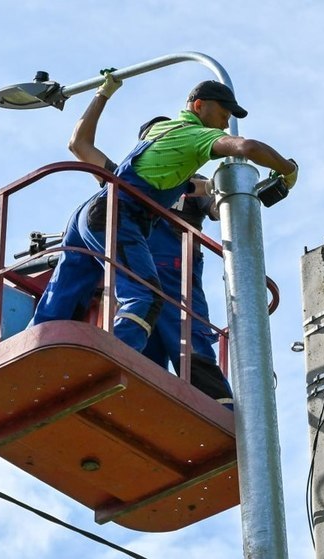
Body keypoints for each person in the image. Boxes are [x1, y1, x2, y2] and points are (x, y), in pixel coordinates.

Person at [31, 73, 298, 361]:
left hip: (91, 215)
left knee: (63, 294)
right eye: (223, 114)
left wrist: (103, 93)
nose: (225, 122)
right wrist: (287, 169)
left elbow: (79, 145)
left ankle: (32, 354)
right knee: (144, 299)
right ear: (198, 107)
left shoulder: (157, 158)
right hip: (121, 221)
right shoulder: (194, 136)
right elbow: (248, 147)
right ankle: (107, 361)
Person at [68, 90, 232, 403]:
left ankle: (221, 408)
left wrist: (227, 190)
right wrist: (102, 95)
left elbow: (219, 208)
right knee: (154, 342)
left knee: (188, 343)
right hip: (141, 267)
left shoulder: (193, 185)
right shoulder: (127, 178)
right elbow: (80, 145)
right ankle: (128, 389)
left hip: (175, 274)